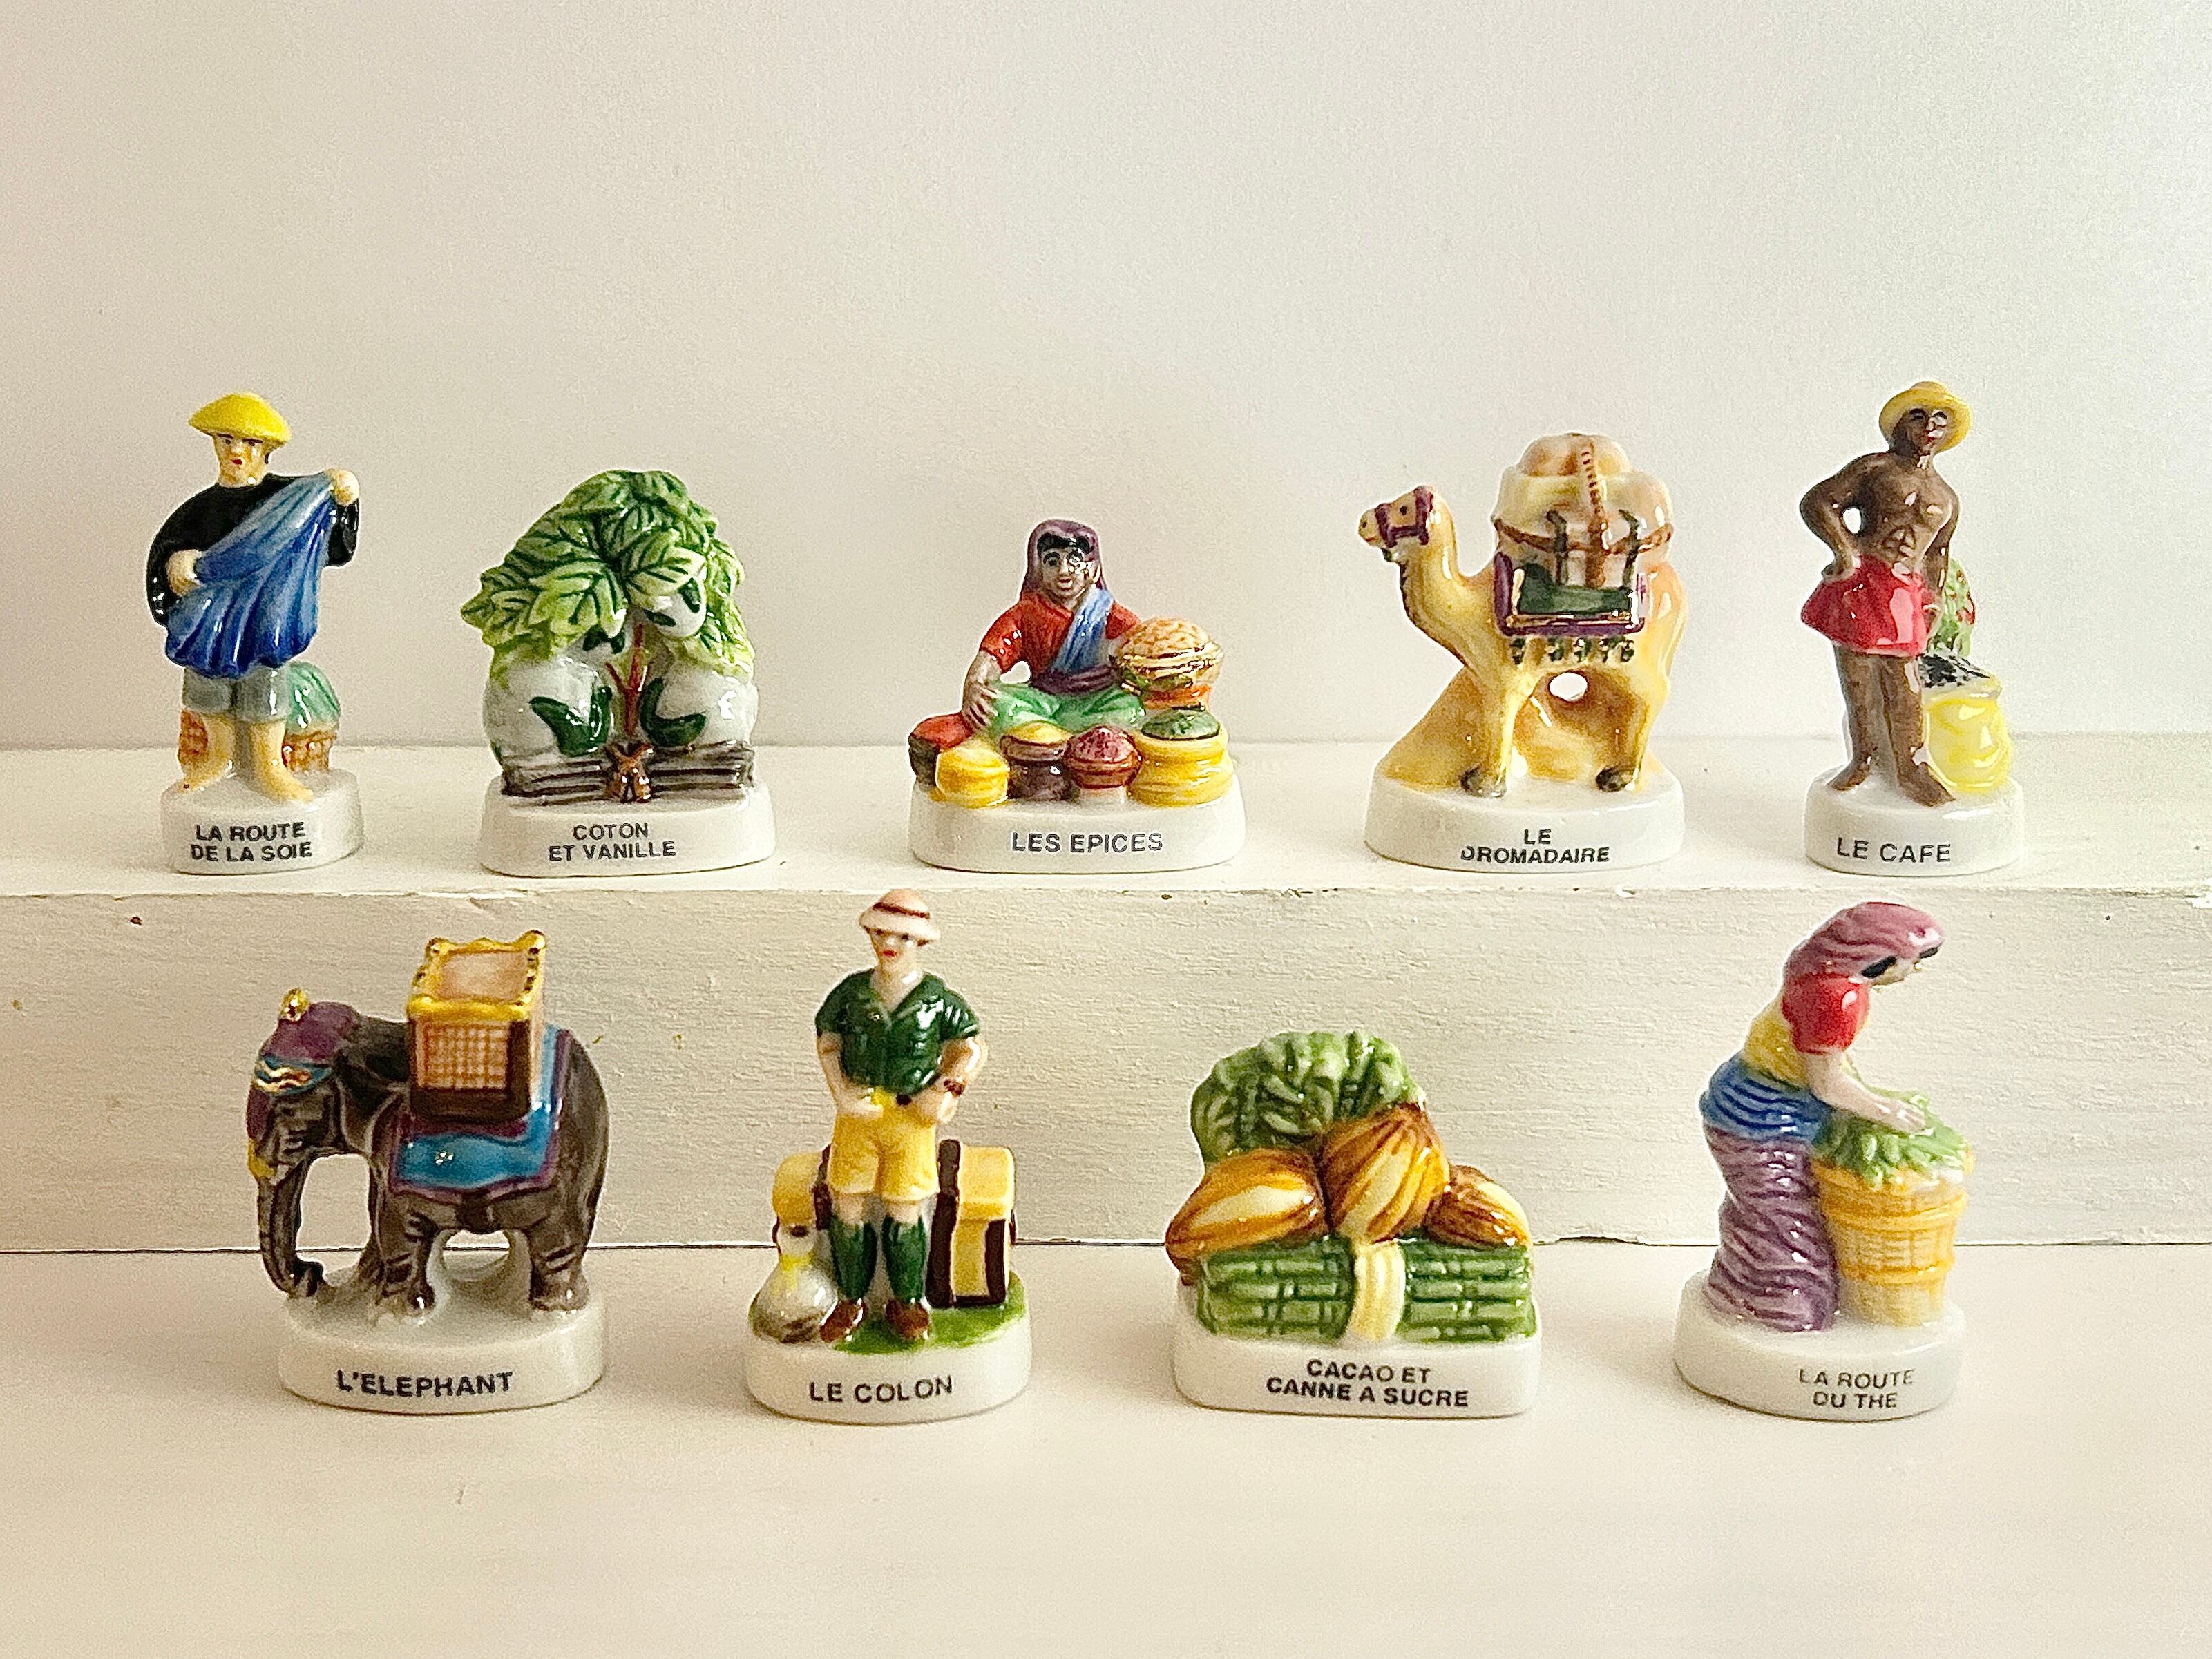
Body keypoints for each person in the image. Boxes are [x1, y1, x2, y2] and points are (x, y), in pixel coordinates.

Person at [1697, 902, 1941, 1332]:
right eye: (1912, 960)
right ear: (1877, 959)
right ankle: (1784, 1311)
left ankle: (1734, 1288)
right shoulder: (1836, 998)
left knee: (1759, 1212)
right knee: (1785, 1223)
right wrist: (1886, 1112)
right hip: (1759, 1121)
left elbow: (1830, 1064)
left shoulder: (1822, 977)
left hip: (1774, 1108)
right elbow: (1826, 1084)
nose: (1916, 970)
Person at [147, 393, 359, 802]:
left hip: (265, 618)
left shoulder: (291, 502)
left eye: (250, 442)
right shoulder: (199, 510)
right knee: (209, 688)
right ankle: (219, 758)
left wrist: (344, 499)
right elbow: (169, 548)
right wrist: (174, 562)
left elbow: (333, 547)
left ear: (267, 449)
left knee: (264, 686)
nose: (237, 451)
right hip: (211, 621)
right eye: (226, 440)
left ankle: (267, 766)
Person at [812, 891, 987, 1343]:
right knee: (848, 1204)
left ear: (920, 942)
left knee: (905, 1209)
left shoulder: (937, 999)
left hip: (911, 1120)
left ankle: (906, 1301)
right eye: (881, 933)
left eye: (903, 937)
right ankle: (852, 1299)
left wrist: (947, 1089)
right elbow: (828, 1041)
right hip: (860, 1116)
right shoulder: (853, 992)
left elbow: (970, 1048)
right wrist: (842, 1094)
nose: (889, 944)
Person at [1798, 382, 1968, 807]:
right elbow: (1818, 502)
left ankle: (1911, 766)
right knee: (1858, 674)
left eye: (1940, 418)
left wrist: (1933, 598)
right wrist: (1845, 550)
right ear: (1899, 424)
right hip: (1865, 578)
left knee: (1903, 678)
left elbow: (1938, 553)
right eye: (1918, 415)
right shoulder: (1875, 469)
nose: (1929, 426)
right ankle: (1865, 759)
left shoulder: (1946, 497)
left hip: (1905, 590)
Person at [960, 519, 1145, 739]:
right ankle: (1060, 734)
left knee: (1131, 709)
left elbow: (1140, 647)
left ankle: (1050, 733)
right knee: (995, 704)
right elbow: (992, 656)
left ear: (1092, 570)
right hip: (1042, 700)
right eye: (1052, 562)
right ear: (1039, 569)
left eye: (1074, 561)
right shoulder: (1026, 613)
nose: (1063, 571)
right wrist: (975, 685)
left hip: (1096, 699)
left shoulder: (1105, 612)